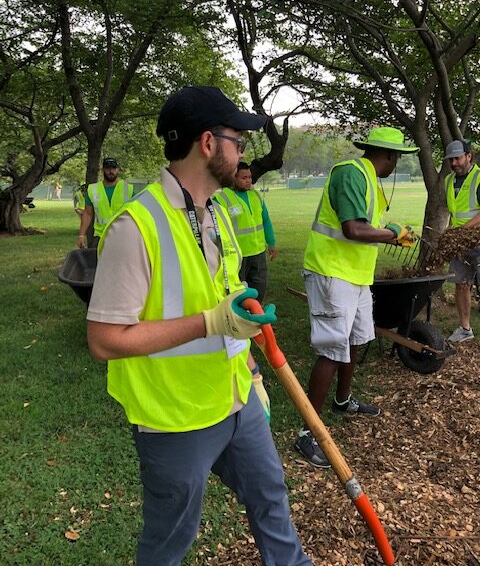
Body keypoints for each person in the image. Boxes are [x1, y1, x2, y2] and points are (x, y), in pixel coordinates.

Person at [86, 86, 313, 566]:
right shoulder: (134, 227)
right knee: (171, 542)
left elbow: (225, 302)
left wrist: (249, 368)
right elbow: (104, 341)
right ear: (208, 143)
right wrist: (210, 322)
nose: (244, 153)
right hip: (174, 419)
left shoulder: (220, 215)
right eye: (239, 140)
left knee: (272, 500)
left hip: (236, 399)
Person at [295, 127, 419, 469]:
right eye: (398, 157)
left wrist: (389, 229)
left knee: (354, 340)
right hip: (331, 273)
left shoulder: (368, 179)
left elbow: (366, 224)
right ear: (390, 155)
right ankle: (308, 434)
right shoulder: (351, 174)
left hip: (355, 276)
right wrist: (393, 236)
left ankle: (342, 400)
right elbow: (353, 229)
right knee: (331, 350)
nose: (397, 163)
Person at [214, 161, 278, 304]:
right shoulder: (222, 199)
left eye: (249, 177)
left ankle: (256, 318)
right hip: (237, 256)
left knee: (259, 290)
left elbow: (266, 221)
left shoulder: (256, 196)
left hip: (258, 253)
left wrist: (271, 243)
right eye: (244, 178)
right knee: (237, 294)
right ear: (233, 178)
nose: (248, 181)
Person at [443, 140, 480, 343]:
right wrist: (452, 233)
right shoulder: (449, 181)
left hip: (477, 239)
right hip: (459, 243)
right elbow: (455, 211)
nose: (454, 163)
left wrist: (463, 231)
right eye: (451, 160)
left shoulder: (479, 178)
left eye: (457, 158)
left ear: (469, 156)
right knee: (461, 283)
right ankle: (465, 329)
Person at [76, 158, 134, 249]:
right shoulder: (93, 189)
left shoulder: (129, 189)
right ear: (102, 170)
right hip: (100, 236)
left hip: (123, 235)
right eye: (107, 168)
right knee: (97, 262)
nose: (111, 171)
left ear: (118, 170)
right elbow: (88, 214)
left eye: (114, 168)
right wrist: (81, 235)